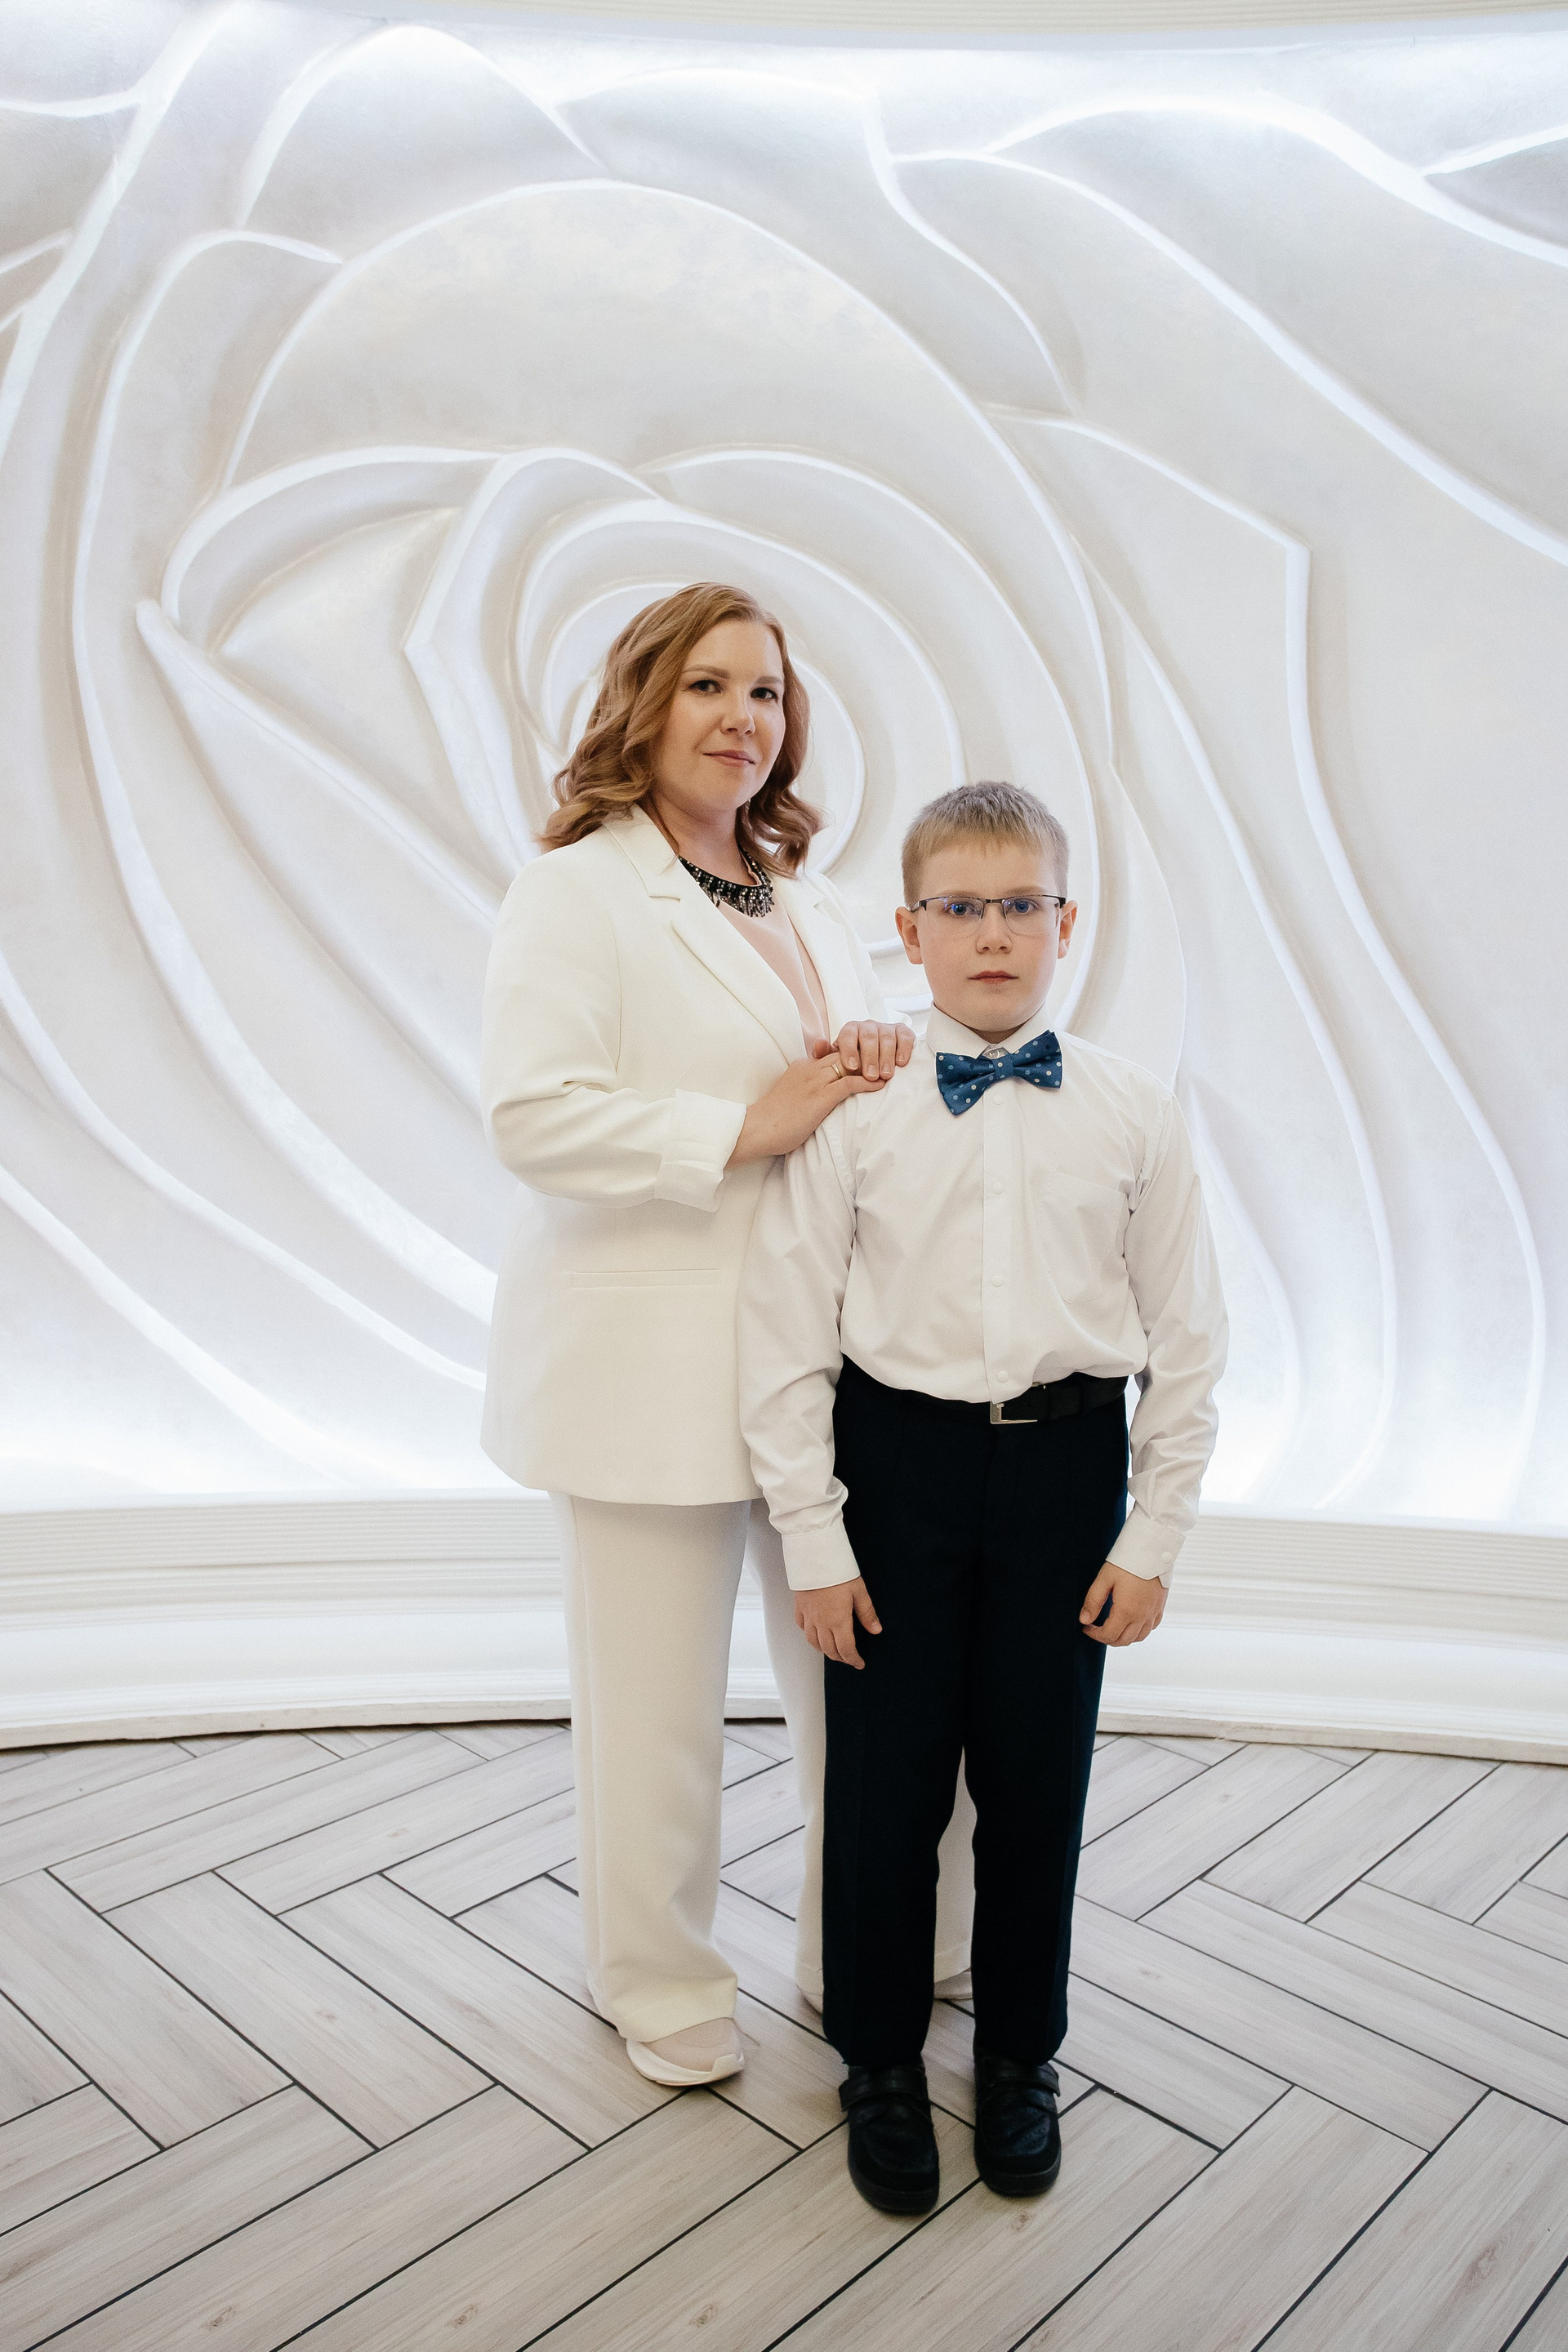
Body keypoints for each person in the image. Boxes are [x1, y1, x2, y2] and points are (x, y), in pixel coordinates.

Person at [480, 582, 974, 2091]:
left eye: (766, 692)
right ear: (644, 704)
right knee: (656, 1707)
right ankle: (656, 1976)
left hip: (824, 1365)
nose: (742, 718)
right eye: (708, 685)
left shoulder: (804, 897)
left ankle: (865, 1950)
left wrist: (877, 1052)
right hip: (647, 1368)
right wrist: (745, 1126)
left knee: (862, 1685)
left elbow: (831, 1101)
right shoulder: (576, 891)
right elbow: (533, 1117)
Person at [738, 780, 1227, 2208]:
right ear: (911, 931)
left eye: (1022, 906)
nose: (995, 934)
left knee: (1036, 1785)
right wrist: (815, 1538)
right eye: (962, 907)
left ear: (1067, 924)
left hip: (1067, 1474)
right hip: (896, 1469)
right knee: (884, 1789)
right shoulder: (859, 1109)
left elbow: (1191, 1339)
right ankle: (878, 2062)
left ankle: (1020, 2057)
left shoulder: (1134, 1109)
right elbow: (786, 1332)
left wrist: (1154, 1532)